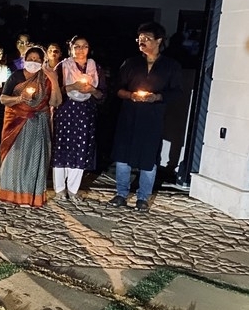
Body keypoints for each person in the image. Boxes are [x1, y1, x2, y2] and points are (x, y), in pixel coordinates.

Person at [108, 22, 182, 211]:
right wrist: (130, 95)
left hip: (153, 118)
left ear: (159, 41)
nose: (142, 42)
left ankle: (143, 198)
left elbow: (176, 92)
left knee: (149, 157)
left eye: (147, 39)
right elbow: (117, 89)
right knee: (123, 156)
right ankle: (120, 194)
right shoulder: (131, 63)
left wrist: (157, 97)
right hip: (129, 116)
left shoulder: (170, 66)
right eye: (140, 39)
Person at [0, 46, 62, 207]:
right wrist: (19, 99)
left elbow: (56, 102)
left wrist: (54, 80)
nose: (33, 62)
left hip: (39, 124)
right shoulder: (17, 76)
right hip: (17, 123)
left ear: (42, 62)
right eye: (30, 59)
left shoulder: (47, 78)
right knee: (15, 160)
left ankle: (31, 196)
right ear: (24, 60)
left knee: (35, 160)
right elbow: (3, 99)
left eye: (37, 60)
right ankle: (10, 194)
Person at [51, 36, 105, 201]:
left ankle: (73, 189)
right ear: (71, 48)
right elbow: (53, 90)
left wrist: (92, 90)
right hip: (65, 111)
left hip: (85, 113)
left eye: (85, 46)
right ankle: (60, 188)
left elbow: (102, 93)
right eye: (77, 46)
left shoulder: (95, 67)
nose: (81, 50)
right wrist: (73, 86)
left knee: (80, 148)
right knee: (61, 148)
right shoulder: (63, 66)